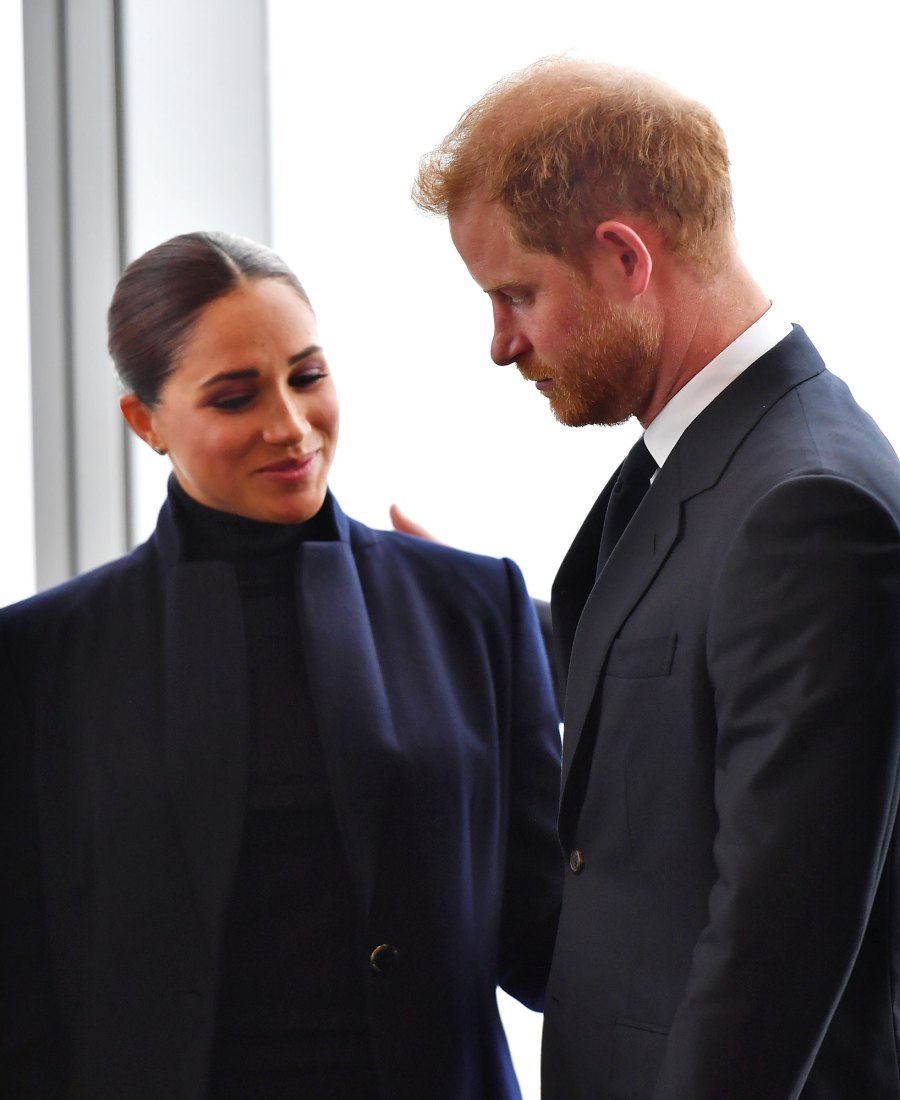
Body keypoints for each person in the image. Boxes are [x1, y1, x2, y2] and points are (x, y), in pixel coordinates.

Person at [413, 58, 900, 1099]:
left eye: (516, 294)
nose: (501, 343)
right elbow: (675, 672)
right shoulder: (723, 461)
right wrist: (471, 617)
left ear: (625, 256)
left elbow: (775, 944)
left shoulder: (805, 505)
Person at [0, 231, 562, 1099]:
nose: (291, 427)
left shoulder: (474, 607)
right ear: (145, 421)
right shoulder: (39, 658)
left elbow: (552, 931)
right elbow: (21, 986)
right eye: (235, 397)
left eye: (307, 377)